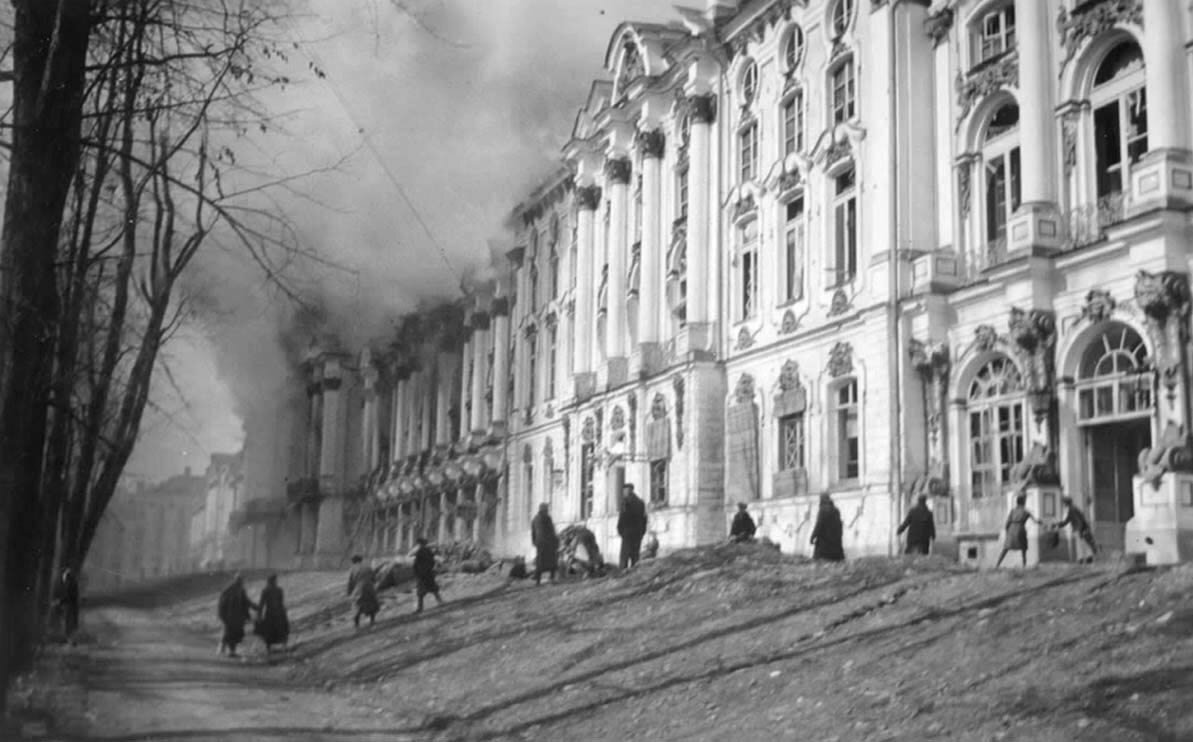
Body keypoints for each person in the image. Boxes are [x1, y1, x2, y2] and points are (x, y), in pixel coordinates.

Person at [995, 493, 1040, 568]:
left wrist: (1007, 532)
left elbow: (1007, 523)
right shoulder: (1026, 511)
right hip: (1020, 529)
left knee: (1005, 548)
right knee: (1023, 549)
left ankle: (997, 565)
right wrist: (1041, 522)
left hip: (1012, 529)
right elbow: (1035, 521)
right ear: (1023, 502)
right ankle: (1024, 565)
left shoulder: (1013, 511)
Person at [217, 573, 256, 657]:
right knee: (230, 633)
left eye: (242, 581)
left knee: (233, 633)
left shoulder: (240, 590)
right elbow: (222, 604)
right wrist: (222, 615)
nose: (242, 582)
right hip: (230, 616)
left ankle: (225, 648)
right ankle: (230, 651)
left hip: (237, 617)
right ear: (237, 580)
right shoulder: (229, 590)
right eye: (240, 580)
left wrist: (255, 607)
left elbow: (246, 602)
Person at [1055, 495, 1098, 563]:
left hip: (1078, 529)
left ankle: (1081, 558)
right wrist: (1059, 525)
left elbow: (1077, 520)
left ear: (1066, 503)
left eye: (1064, 503)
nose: (1063, 504)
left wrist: (1080, 529)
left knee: (1080, 544)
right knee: (1084, 543)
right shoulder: (1074, 508)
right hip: (1081, 528)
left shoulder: (1072, 509)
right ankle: (1088, 557)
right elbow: (1068, 520)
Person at [254, 574, 290, 652]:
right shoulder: (279, 590)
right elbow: (281, 602)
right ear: (274, 581)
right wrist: (284, 611)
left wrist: (259, 614)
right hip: (279, 613)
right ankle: (284, 646)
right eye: (275, 580)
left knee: (269, 631)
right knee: (281, 629)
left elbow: (261, 603)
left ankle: (268, 648)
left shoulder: (265, 590)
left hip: (270, 613)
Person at [617, 483, 648, 569]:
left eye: (625, 490)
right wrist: (642, 532)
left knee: (624, 557)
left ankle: (622, 576)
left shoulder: (626, 502)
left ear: (629, 490)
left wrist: (620, 530)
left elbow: (622, 517)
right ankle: (634, 573)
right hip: (637, 533)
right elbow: (645, 518)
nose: (623, 492)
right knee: (635, 556)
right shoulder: (641, 502)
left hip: (627, 533)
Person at [411, 537, 445, 613]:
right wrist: (430, 569)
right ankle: (440, 602)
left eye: (419, 543)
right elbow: (432, 561)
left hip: (422, 574)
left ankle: (420, 608)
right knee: (433, 588)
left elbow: (416, 563)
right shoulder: (428, 551)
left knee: (420, 592)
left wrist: (417, 571)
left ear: (420, 544)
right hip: (428, 573)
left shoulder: (420, 551)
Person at [347, 555, 380, 628]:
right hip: (369, 589)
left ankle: (356, 623)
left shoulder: (352, 569)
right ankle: (372, 620)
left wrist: (349, 593)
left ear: (353, 562)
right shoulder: (368, 567)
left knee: (357, 606)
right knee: (372, 603)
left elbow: (350, 583)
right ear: (361, 560)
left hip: (359, 589)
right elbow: (374, 579)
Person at [531, 503, 560, 586]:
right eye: (547, 509)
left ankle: (538, 581)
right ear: (545, 510)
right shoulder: (547, 518)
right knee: (552, 560)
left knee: (540, 562)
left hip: (539, 543)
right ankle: (552, 578)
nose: (547, 511)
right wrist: (556, 541)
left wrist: (534, 542)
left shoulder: (535, 519)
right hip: (548, 543)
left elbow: (533, 533)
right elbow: (551, 531)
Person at [810, 494, 845, 562]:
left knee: (820, 562)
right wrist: (839, 537)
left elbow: (818, 525)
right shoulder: (836, 510)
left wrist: (812, 537)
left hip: (824, 545)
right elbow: (840, 525)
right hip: (836, 545)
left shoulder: (822, 510)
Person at [54, 568, 80, 642]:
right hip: (71, 605)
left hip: (70, 605)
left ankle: (69, 638)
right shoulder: (72, 583)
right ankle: (70, 638)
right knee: (70, 622)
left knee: (68, 622)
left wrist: (60, 602)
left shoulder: (70, 584)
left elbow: (68, 596)